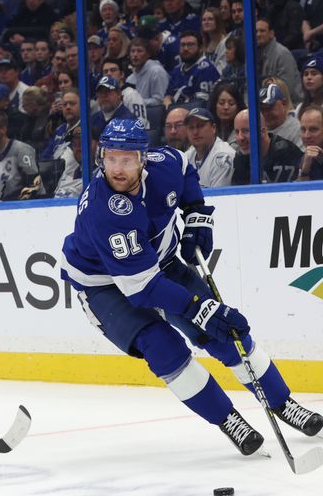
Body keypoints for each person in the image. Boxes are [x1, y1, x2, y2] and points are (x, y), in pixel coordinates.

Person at [61, 118, 323, 459]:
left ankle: (283, 403)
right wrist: (201, 308)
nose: (118, 169)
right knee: (163, 348)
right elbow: (142, 289)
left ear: (144, 158)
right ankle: (228, 419)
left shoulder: (164, 164)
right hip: (104, 286)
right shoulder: (105, 211)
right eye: (111, 158)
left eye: (126, 159)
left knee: (227, 335)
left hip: (162, 262)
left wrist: (197, 212)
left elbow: (186, 171)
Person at [231, 109, 303, 185]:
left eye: (246, 131)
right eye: (237, 132)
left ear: (263, 132)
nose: (240, 138)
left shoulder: (286, 152)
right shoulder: (240, 158)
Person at [184, 107, 235, 187]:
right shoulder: (186, 157)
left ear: (213, 128)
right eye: (191, 128)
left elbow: (218, 197)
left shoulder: (223, 157)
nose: (195, 132)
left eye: (200, 126)